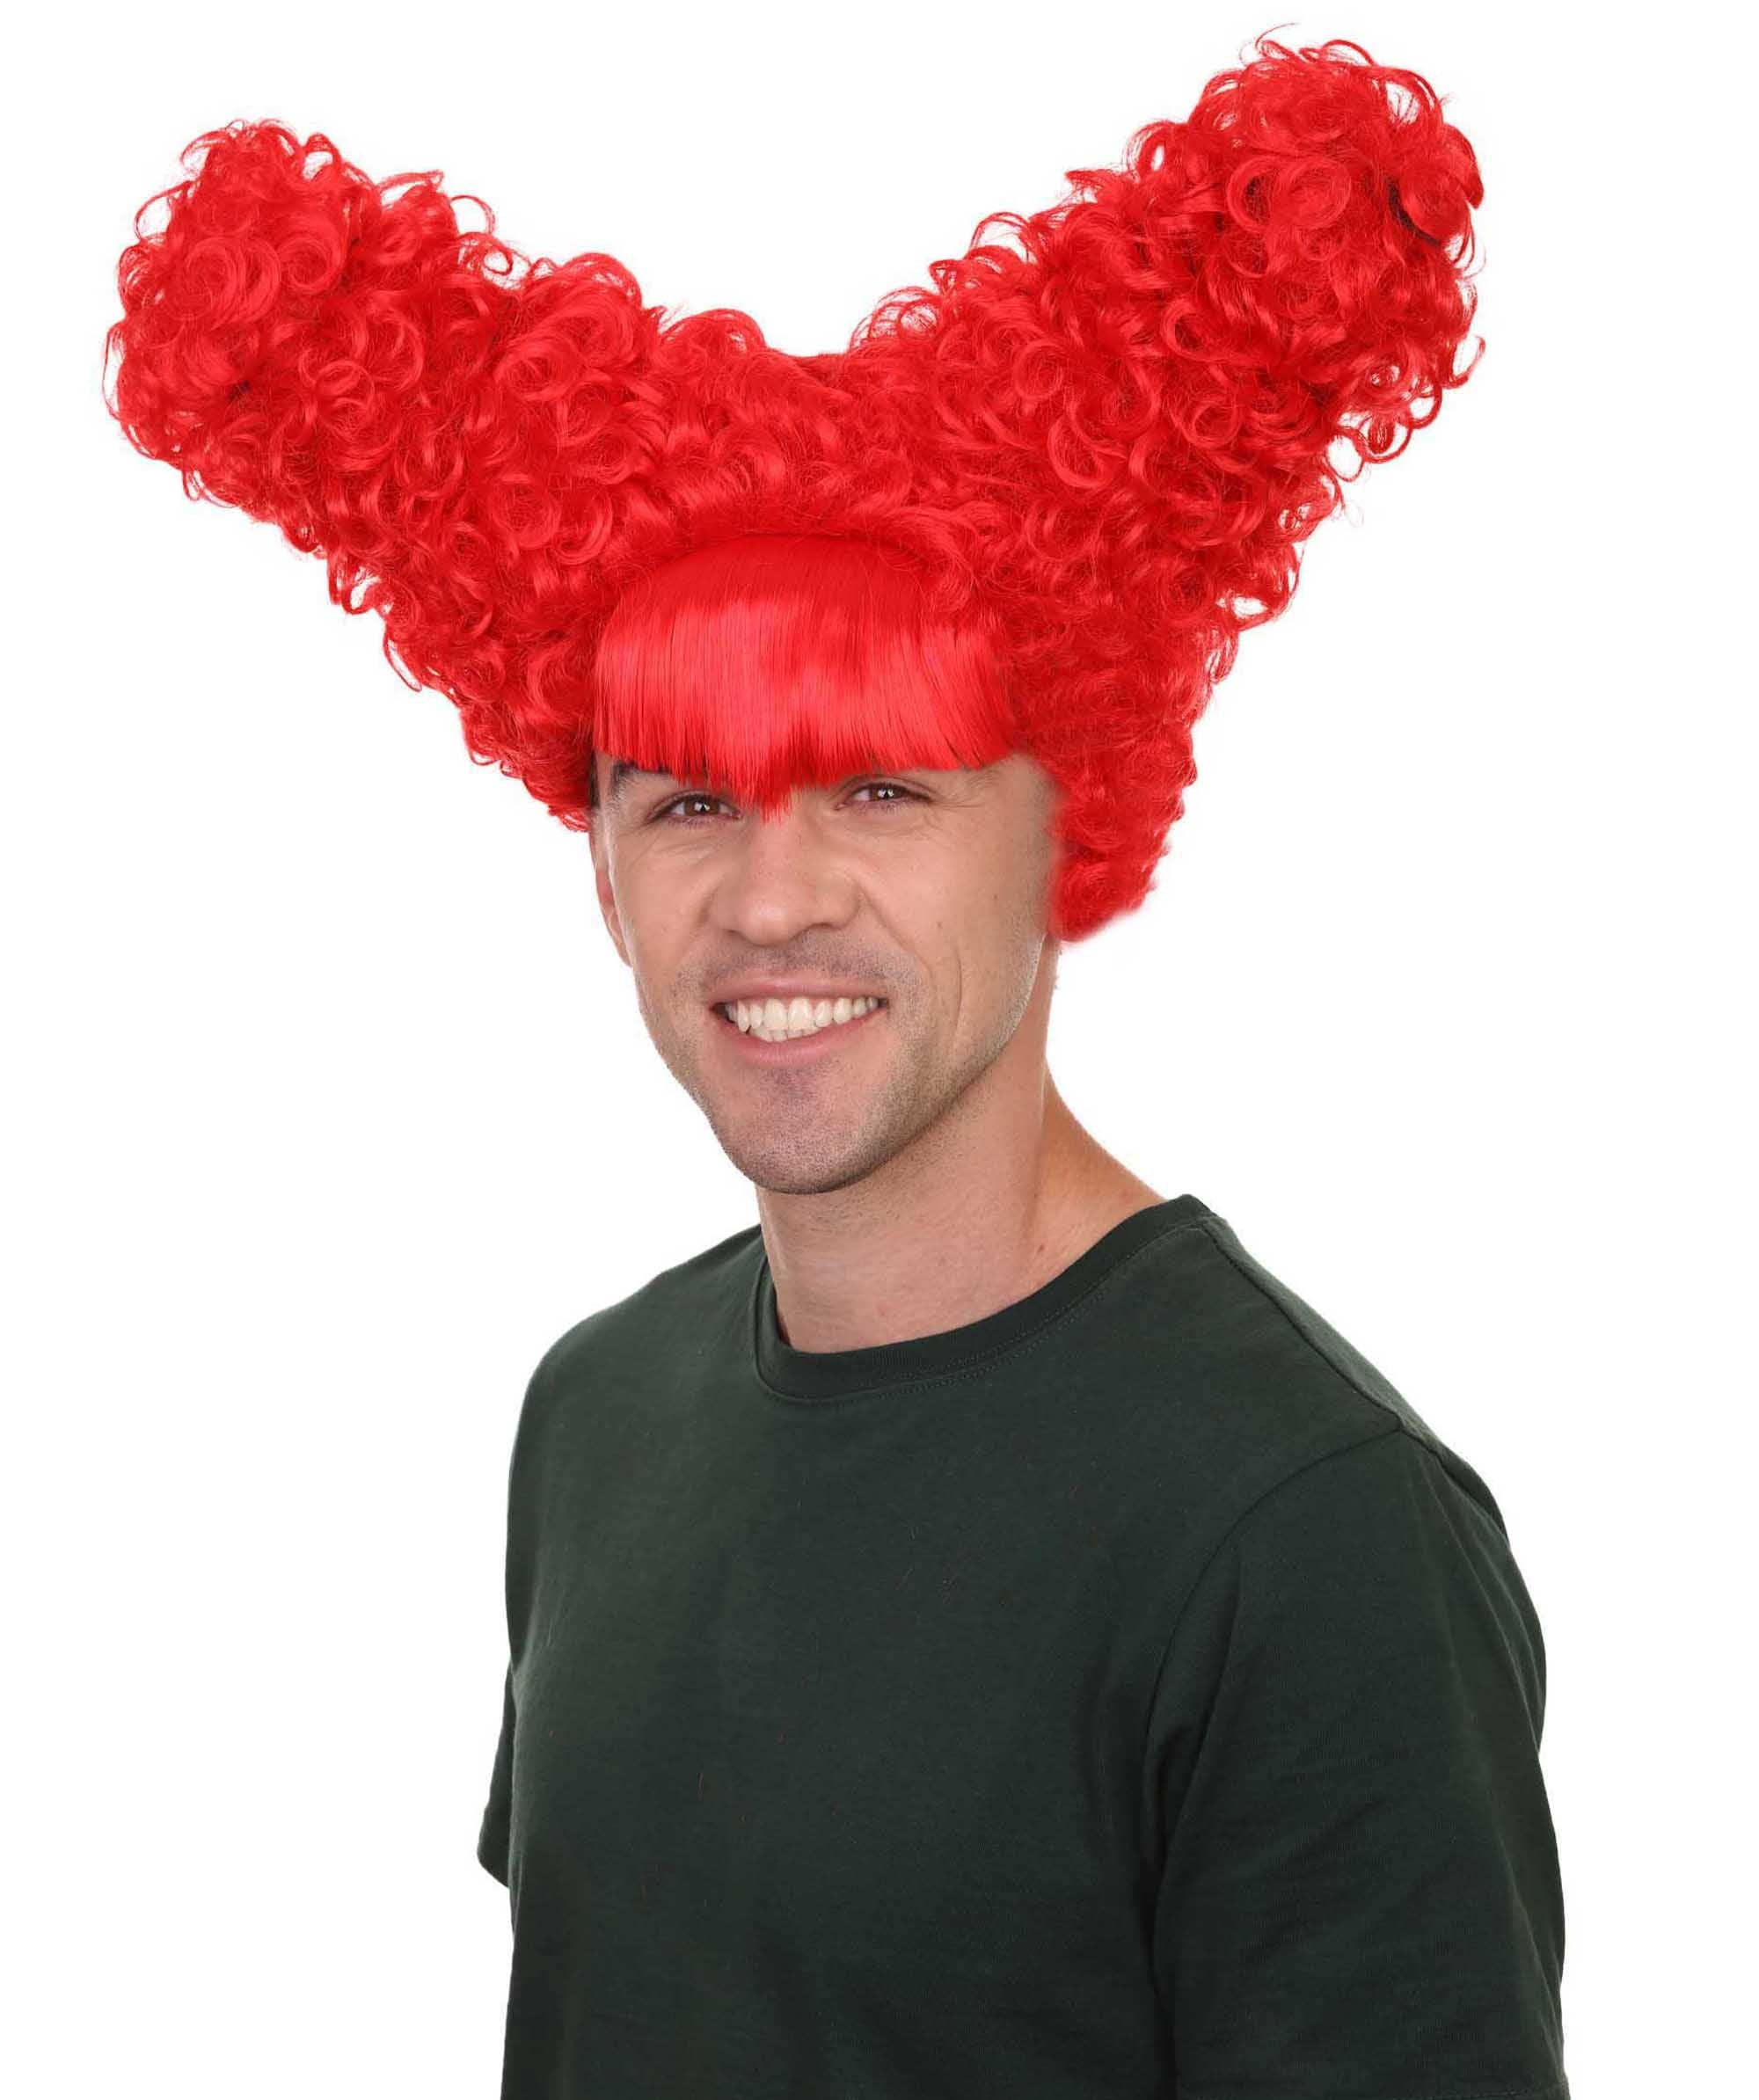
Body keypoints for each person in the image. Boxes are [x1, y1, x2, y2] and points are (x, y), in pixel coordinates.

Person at [103, 32, 1569, 2099]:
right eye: (687, 803)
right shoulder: (597, 1411)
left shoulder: (1299, 1531)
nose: (771, 899)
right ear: (604, 873)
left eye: (880, 787)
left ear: (1063, 831)